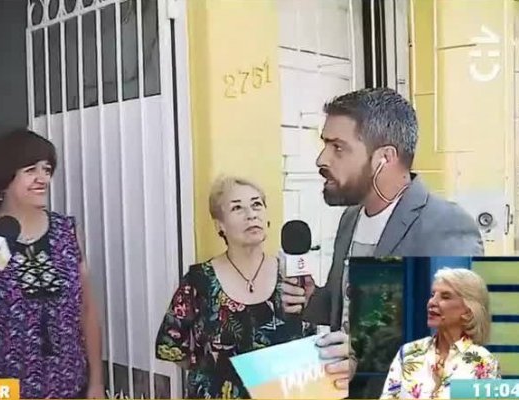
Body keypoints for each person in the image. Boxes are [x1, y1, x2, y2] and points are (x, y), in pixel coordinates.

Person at [281, 88, 485, 391]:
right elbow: (352, 309)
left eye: (338, 148)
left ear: (384, 158)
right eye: (325, 144)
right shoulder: (350, 218)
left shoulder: (445, 226)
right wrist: (313, 299)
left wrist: (365, 357)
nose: (321, 159)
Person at [0, 129, 104, 399]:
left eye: (47, 169)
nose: (43, 179)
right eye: (30, 170)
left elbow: (87, 309)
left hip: (68, 386)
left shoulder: (66, 231)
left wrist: (96, 381)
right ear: (4, 178)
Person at [155, 176, 309, 399]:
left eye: (257, 204)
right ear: (220, 225)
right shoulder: (200, 281)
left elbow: (308, 344)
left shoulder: (291, 279)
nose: (251, 214)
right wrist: (212, 374)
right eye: (237, 208)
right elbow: (173, 345)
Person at [381, 268, 500, 399]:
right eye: (433, 295)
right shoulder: (408, 353)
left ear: (468, 309)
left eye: (445, 297)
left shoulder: (483, 362)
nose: (432, 302)